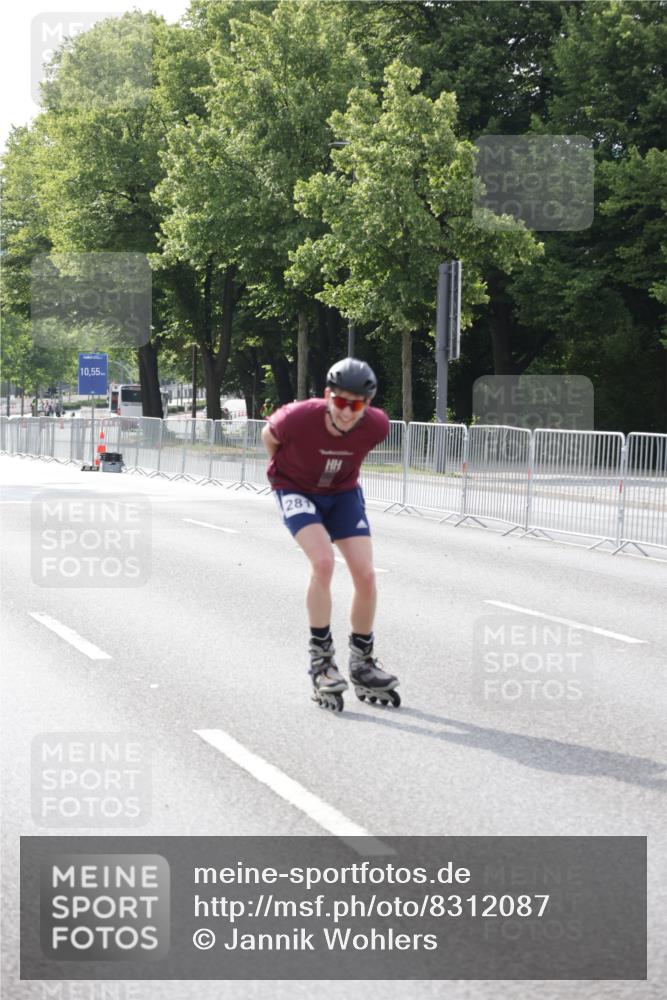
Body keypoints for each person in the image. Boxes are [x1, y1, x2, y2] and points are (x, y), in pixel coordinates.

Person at [261, 357, 400, 705]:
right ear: (327, 395)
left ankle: (362, 663)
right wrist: (288, 472)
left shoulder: (377, 426)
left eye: (356, 405)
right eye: (339, 402)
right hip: (295, 488)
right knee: (323, 562)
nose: (346, 412)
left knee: (366, 575)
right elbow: (269, 437)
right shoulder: (298, 416)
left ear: (367, 405)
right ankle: (321, 661)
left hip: (341, 494)